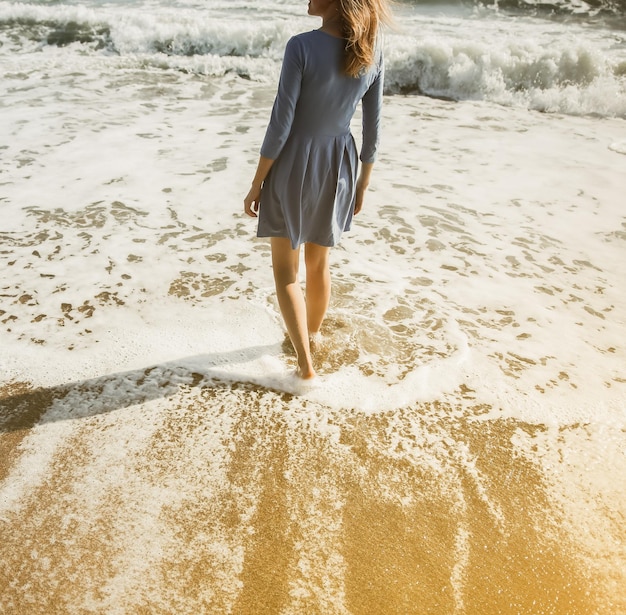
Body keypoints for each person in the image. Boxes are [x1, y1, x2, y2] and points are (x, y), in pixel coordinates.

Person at [244, 0, 390, 380]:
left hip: (293, 161)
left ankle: (305, 364)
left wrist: (257, 181)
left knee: (286, 273)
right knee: (318, 265)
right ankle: (312, 335)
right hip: (338, 165)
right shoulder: (371, 53)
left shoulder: (301, 46)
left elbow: (281, 123)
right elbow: (372, 130)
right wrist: (363, 181)